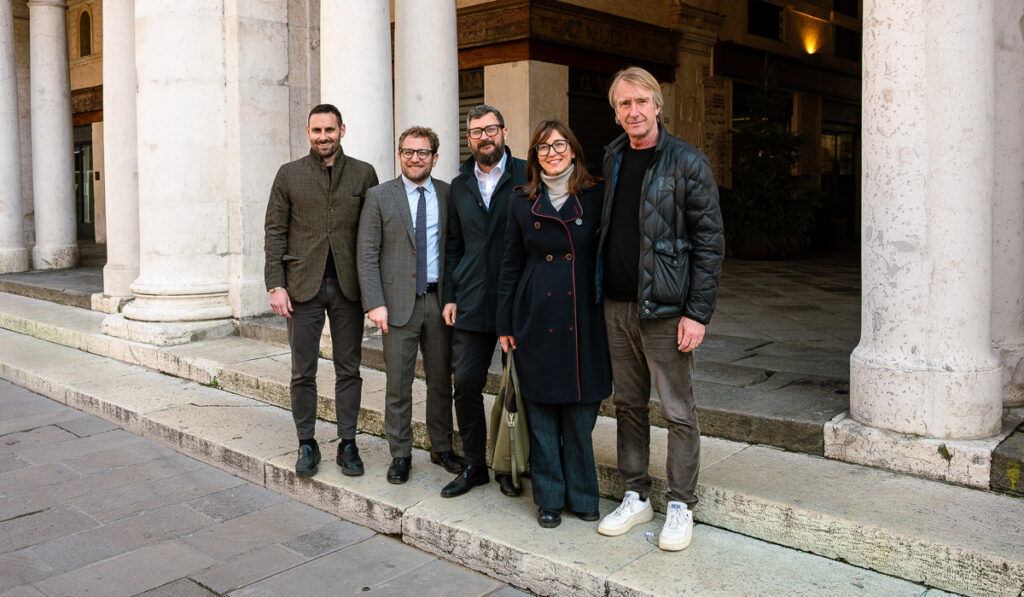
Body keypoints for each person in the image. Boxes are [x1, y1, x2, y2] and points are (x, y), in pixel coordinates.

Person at [595, 67, 724, 551]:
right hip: (617, 306)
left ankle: (681, 504)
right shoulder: (612, 157)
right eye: (624, 103)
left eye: (641, 101)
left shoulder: (687, 161)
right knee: (628, 405)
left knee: (677, 410)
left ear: (657, 105)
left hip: (667, 310)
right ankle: (635, 496)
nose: (633, 111)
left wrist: (698, 313)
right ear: (616, 111)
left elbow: (709, 241)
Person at [497, 120, 611, 528]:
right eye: (543, 148)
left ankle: (583, 495)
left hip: (584, 316)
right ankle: (548, 498)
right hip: (535, 315)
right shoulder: (521, 200)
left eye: (559, 144)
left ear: (573, 149)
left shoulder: (596, 196)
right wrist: (505, 324)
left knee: (580, 417)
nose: (552, 153)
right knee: (542, 415)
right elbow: (510, 265)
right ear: (534, 157)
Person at [264, 103, 379, 478]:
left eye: (330, 130)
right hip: (302, 287)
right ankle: (306, 443)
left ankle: (348, 443)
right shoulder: (289, 174)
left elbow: (373, 233)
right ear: (308, 133)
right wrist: (275, 284)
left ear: (342, 130)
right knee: (303, 370)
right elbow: (275, 231)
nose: (323, 137)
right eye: (317, 130)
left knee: (349, 369)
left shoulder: (364, 173)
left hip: (349, 288)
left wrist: (374, 292)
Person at [356, 127, 463, 484]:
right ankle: (400, 454)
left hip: (439, 303)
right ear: (399, 154)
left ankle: (441, 447)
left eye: (423, 152)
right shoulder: (379, 196)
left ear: (435, 157)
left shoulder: (449, 194)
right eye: (408, 151)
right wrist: (375, 303)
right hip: (396, 305)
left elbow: (457, 247)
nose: (415, 158)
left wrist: (454, 296)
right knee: (398, 384)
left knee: (440, 382)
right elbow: (367, 252)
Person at [440, 105, 527, 498]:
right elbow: (453, 245)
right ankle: (475, 464)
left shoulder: (527, 175)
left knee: (517, 387)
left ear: (504, 132)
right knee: (466, 383)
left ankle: (510, 464)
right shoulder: (459, 185)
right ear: (469, 139)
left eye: (491, 129)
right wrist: (450, 296)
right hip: (472, 298)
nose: (484, 137)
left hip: (517, 300)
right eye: (476, 131)